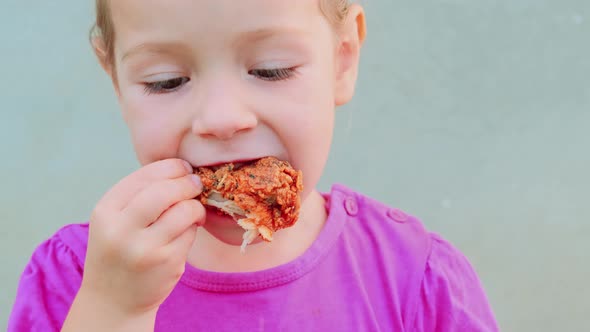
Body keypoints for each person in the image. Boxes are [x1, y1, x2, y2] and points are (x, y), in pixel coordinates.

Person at [8, 0, 499, 331]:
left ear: (343, 59)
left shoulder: (415, 281)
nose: (221, 118)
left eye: (271, 69)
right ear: (116, 80)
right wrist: (112, 311)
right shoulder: (75, 279)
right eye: (166, 80)